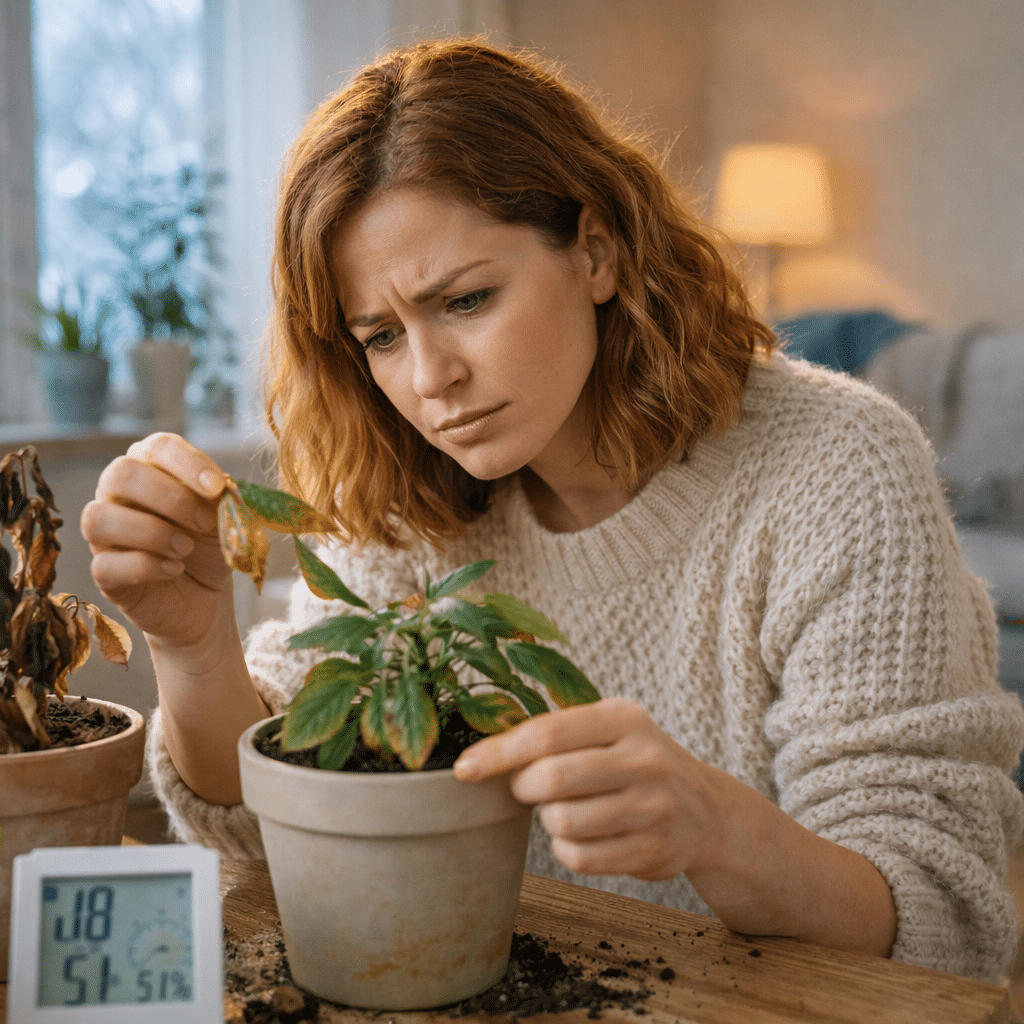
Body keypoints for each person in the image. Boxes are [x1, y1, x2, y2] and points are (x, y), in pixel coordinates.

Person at [82, 38, 1024, 981]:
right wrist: (192, 640)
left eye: (467, 299)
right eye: (380, 336)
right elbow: (270, 840)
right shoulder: (408, 495)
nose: (430, 378)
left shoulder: (838, 469)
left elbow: (942, 920)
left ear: (598, 253)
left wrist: (715, 826)